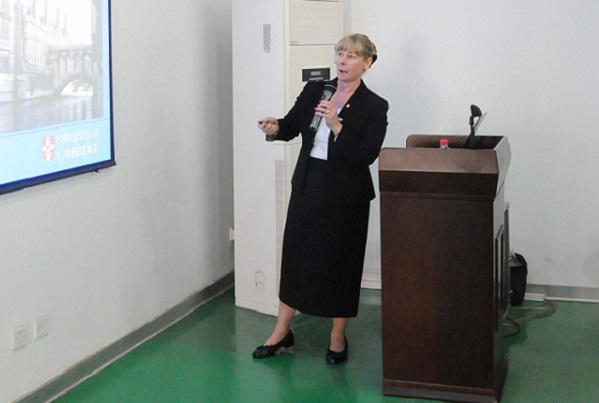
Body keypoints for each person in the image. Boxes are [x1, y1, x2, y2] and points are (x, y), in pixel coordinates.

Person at [253, 33, 388, 365]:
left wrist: (337, 125)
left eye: (351, 56)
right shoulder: (317, 90)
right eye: (340, 53)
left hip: (346, 196)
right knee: (296, 258)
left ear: (367, 63)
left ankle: (337, 337)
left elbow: (368, 154)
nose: (342, 61)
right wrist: (274, 127)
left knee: (340, 263)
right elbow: (291, 125)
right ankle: (282, 331)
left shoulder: (374, 105)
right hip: (309, 186)